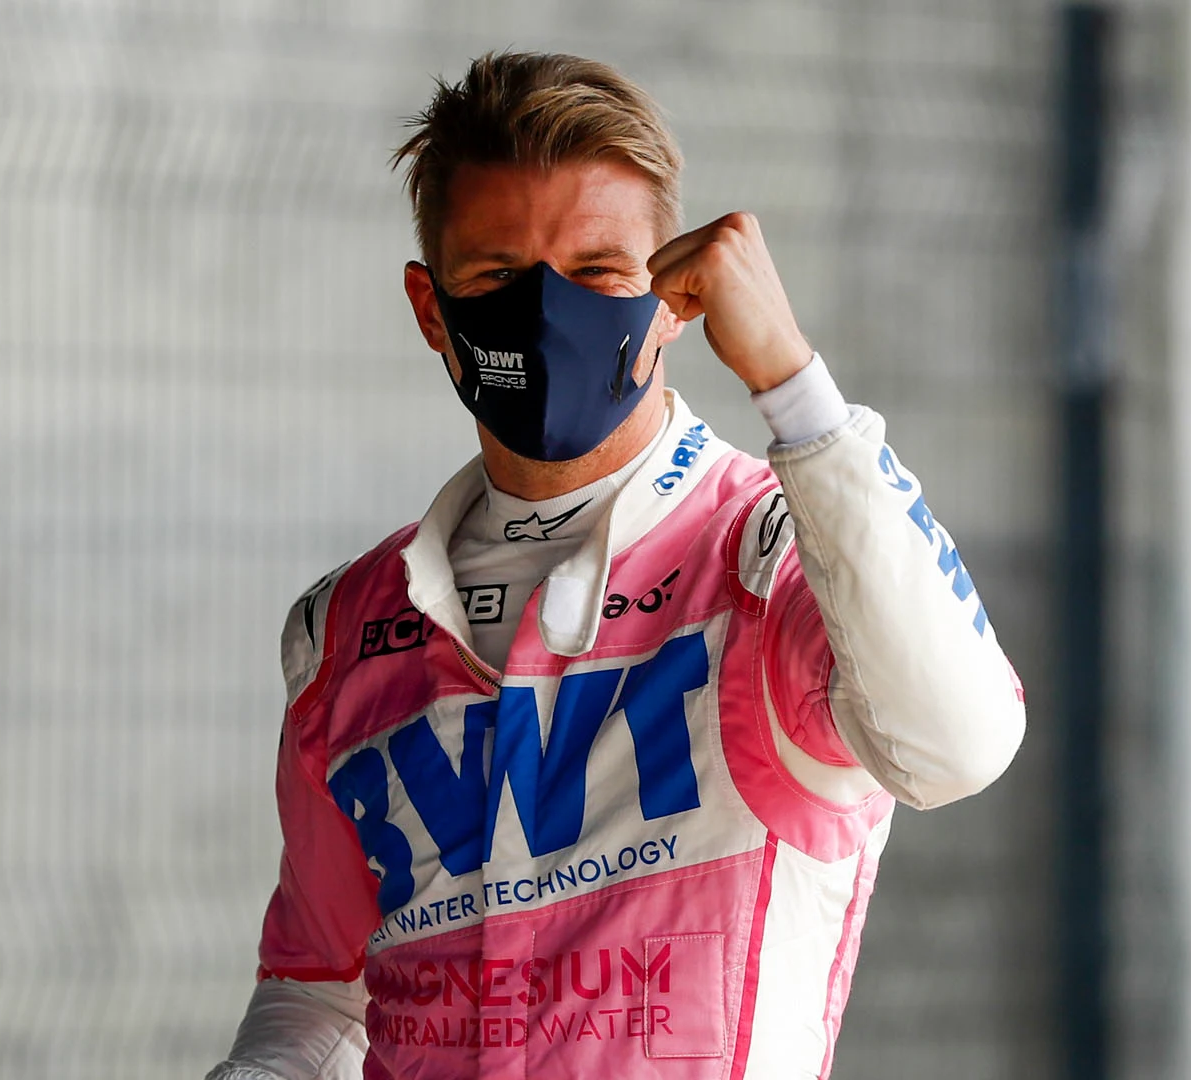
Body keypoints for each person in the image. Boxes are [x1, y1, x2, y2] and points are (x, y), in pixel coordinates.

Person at [208, 51, 1026, 1080]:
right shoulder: (345, 629)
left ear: (674, 296)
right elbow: (320, 989)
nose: (548, 313)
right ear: (431, 312)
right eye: (496, 280)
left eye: (597, 275)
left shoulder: (773, 555)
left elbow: (959, 746)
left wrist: (792, 383)